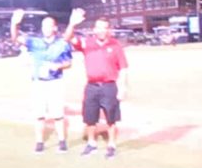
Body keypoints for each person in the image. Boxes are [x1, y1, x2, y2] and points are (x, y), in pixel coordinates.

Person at [64, 9, 129, 158]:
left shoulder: (115, 45)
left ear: (108, 30)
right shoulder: (87, 43)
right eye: (98, 27)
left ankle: (111, 145)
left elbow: (123, 68)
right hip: (92, 86)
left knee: (111, 119)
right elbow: (67, 38)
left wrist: (123, 87)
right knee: (90, 118)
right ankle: (91, 144)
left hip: (109, 86)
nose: (101, 30)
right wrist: (72, 23)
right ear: (94, 29)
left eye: (104, 27)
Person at [10, 9, 73, 153]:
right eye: (44, 26)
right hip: (38, 83)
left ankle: (62, 141)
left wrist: (58, 66)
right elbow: (15, 38)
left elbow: (69, 63)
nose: (46, 28)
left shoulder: (62, 44)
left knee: (58, 115)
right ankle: (39, 142)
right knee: (39, 115)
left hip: (55, 82)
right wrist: (14, 23)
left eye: (49, 25)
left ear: (55, 28)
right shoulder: (34, 42)